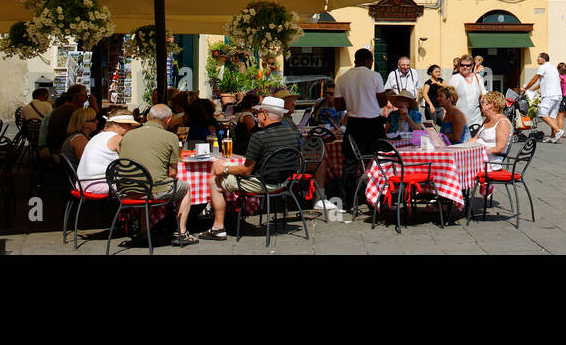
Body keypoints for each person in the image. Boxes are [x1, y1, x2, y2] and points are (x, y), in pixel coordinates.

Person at [202, 96, 335, 240]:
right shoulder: (293, 134)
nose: (256, 116)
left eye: (258, 113)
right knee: (226, 169)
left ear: (264, 115)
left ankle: (218, 227)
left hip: (262, 184)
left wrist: (225, 169)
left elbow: (246, 170)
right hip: (285, 183)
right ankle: (215, 210)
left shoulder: (259, 137)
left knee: (215, 179)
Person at [117, 104, 196, 247]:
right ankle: (181, 232)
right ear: (168, 121)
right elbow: (172, 173)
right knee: (184, 188)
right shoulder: (170, 137)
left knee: (148, 181)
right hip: (151, 191)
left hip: (125, 190)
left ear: (147, 117)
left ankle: (144, 231)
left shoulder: (127, 135)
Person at [336, 48, 389, 163]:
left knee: (352, 160)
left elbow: (339, 106)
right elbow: (382, 102)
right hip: (374, 124)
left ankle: (350, 181)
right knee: (377, 160)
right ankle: (374, 180)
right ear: (369, 61)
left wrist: (354, 102)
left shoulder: (341, 79)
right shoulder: (375, 76)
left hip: (353, 124)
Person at [76, 113, 139, 195]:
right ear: (118, 124)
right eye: (129, 125)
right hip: (97, 186)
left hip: (81, 184)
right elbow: (130, 162)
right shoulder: (117, 139)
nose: (130, 129)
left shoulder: (97, 136)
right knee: (137, 184)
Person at [520, 52, 563, 142]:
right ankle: (553, 136)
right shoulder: (553, 68)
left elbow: (534, 79)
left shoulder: (543, 67)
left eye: (538, 58)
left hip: (549, 95)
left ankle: (558, 131)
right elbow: (543, 82)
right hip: (558, 95)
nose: (537, 59)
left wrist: (525, 88)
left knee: (541, 113)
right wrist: (532, 89)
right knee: (552, 116)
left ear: (543, 59)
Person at [467, 91, 513, 171]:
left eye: (482, 102)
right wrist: (460, 147)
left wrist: (479, 153)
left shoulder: (502, 123)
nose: (480, 105)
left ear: (490, 105)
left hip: (490, 162)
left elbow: (500, 148)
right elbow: (475, 139)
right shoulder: (487, 120)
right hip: (480, 158)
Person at [45, 84, 88, 157]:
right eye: (85, 96)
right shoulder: (74, 112)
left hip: (54, 149)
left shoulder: (57, 110)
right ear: (75, 97)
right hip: (63, 152)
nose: (86, 99)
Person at [447, 55, 487, 130]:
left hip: (477, 122)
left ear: (472, 66)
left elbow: (484, 94)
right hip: (459, 123)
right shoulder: (455, 78)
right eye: (462, 65)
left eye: (468, 65)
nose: (465, 67)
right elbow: (446, 98)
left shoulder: (477, 78)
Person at [384, 56, 422, 131]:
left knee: (414, 126)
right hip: (398, 105)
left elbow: (418, 87)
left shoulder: (414, 72)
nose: (406, 67)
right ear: (398, 65)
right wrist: (389, 105)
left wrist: (416, 100)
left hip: (412, 103)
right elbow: (387, 90)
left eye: (408, 65)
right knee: (396, 127)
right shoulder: (393, 75)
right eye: (403, 65)